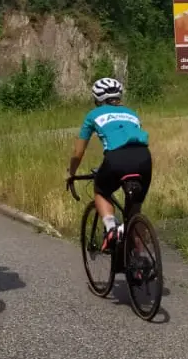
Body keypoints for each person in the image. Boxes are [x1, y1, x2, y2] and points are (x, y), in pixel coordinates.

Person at [65, 77, 152, 258]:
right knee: (134, 211)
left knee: (101, 190)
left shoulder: (93, 115)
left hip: (116, 159)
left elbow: (78, 152)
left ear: (97, 99)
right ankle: (139, 258)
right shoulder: (132, 113)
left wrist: (71, 173)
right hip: (144, 158)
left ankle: (111, 228)